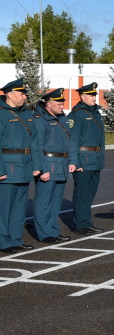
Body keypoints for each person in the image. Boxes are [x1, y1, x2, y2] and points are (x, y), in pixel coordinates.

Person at [0, 79, 42, 253]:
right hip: (7, 168)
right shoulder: (1, 113)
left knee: (19, 207)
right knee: (4, 209)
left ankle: (16, 239)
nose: (25, 96)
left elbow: (35, 142)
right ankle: (3, 242)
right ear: (9, 94)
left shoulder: (27, 114)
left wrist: (37, 164)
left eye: (25, 94)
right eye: (22, 93)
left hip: (24, 167)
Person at [31, 88, 75, 243]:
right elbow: (37, 146)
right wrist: (42, 169)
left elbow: (70, 141)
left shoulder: (62, 119)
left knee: (56, 202)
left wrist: (73, 161)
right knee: (43, 203)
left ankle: (53, 231)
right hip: (48, 165)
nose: (62, 106)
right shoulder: (39, 119)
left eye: (62, 103)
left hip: (62, 165)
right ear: (48, 104)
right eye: (59, 103)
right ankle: (45, 233)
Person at [68, 82, 105, 235]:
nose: (93, 97)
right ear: (82, 97)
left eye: (94, 95)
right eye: (90, 95)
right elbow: (72, 140)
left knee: (90, 194)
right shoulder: (77, 114)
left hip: (95, 159)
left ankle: (87, 222)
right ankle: (80, 224)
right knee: (82, 194)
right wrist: (75, 161)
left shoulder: (96, 113)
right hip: (83, 160)